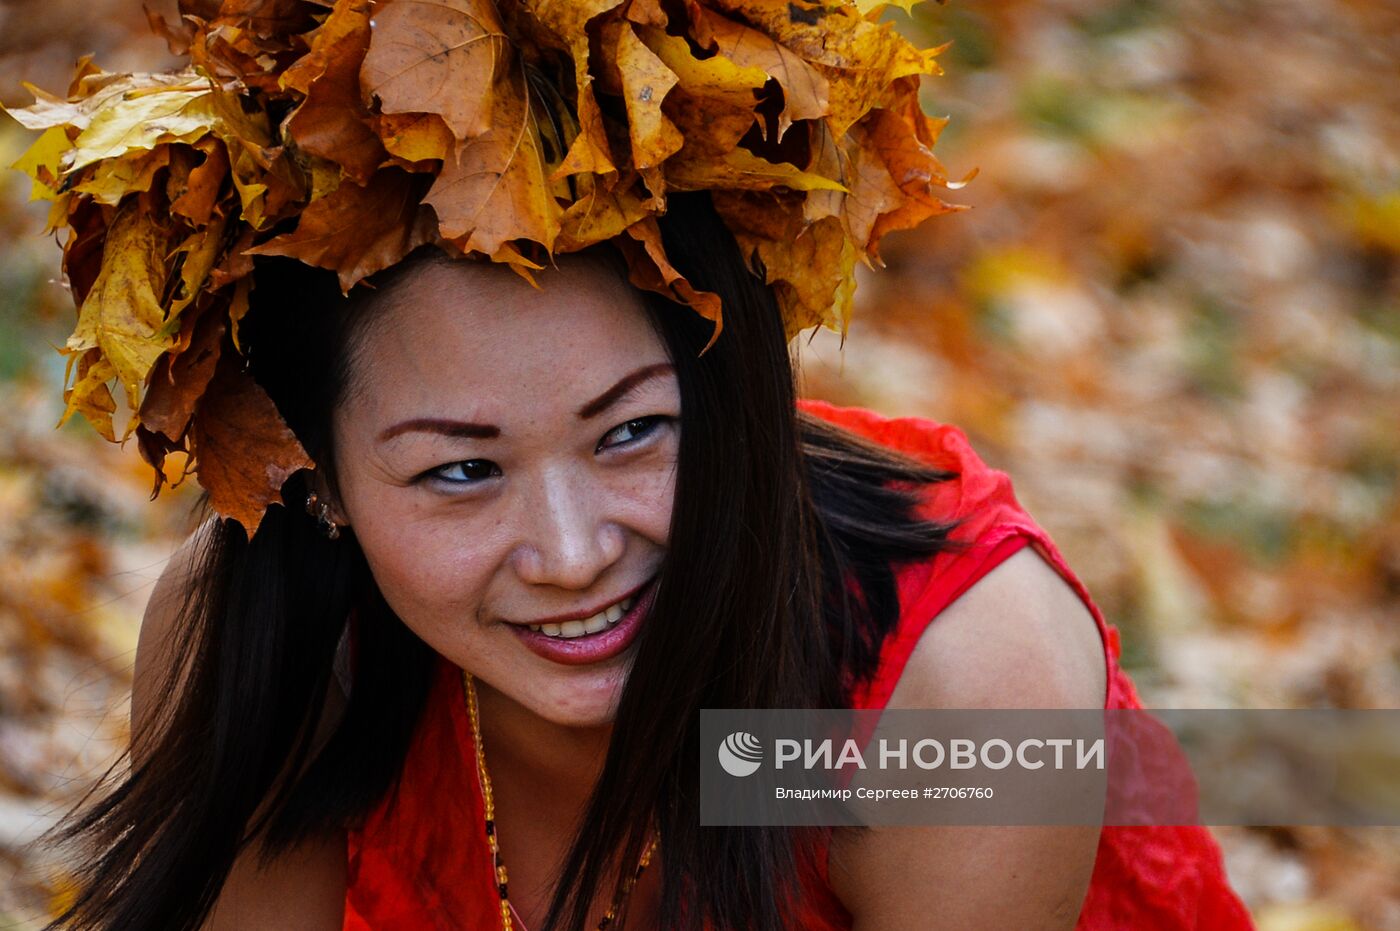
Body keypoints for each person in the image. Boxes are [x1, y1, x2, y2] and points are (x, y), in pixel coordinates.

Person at [11, 1, 1256, 929]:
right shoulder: (266, 649)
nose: (572, 553)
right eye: (458, 472)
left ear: (735, 402)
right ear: (318, 479)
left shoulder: (954, 695)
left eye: (630, 433)